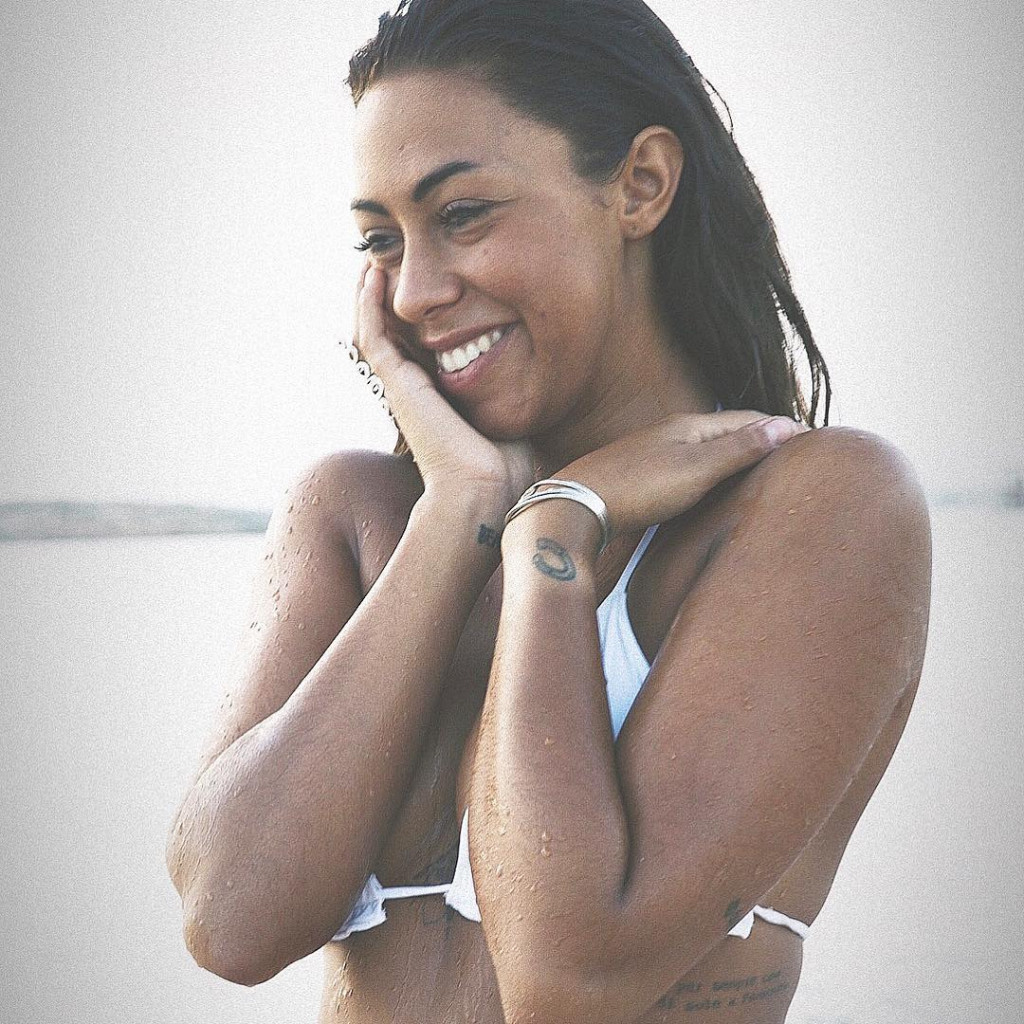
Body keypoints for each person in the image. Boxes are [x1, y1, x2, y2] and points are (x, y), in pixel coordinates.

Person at [166, 2, 931, 1021]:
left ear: (640, 184)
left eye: (462, 214)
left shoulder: (821, 509)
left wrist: (553, 533)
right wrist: (462, 512)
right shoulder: (360, 516)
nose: (413, 292)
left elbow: (568, 979)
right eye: (381, 239)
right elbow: (230, 921)